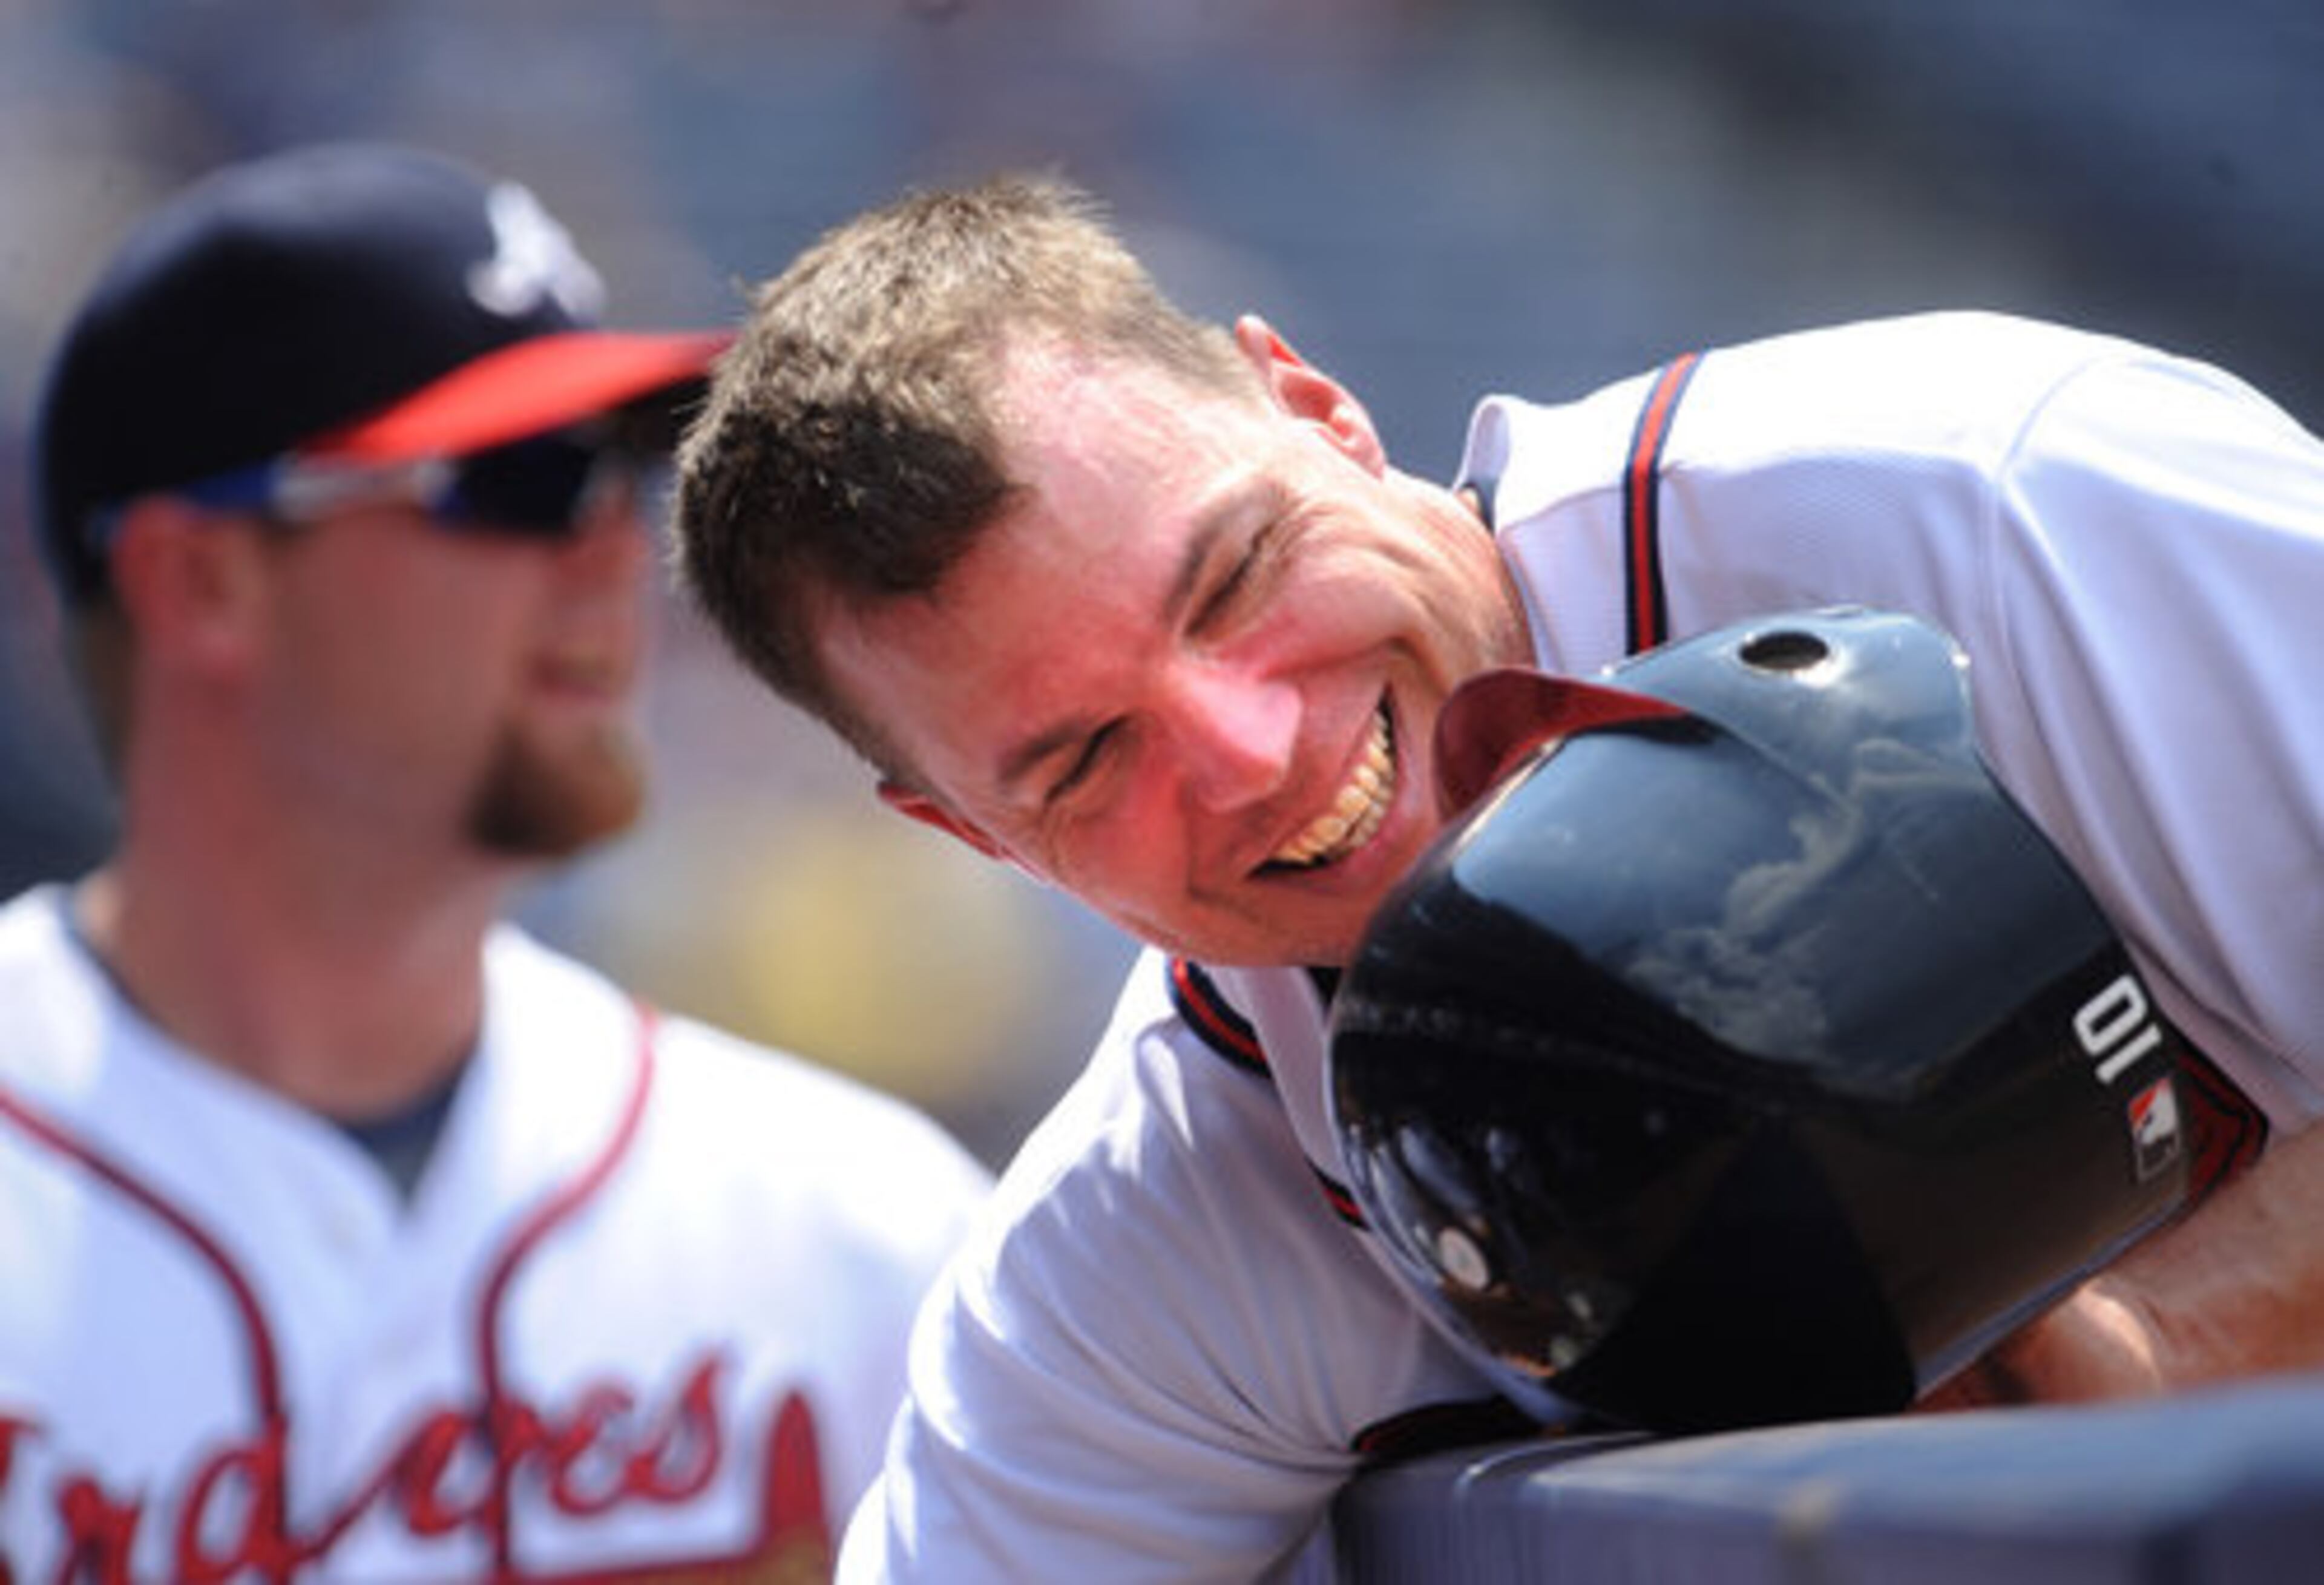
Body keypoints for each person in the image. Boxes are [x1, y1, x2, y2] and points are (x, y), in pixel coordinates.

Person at [672, 172, 2324, 1581]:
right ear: (977, 835)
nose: (1250, 750)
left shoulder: (2000, 513)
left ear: (1319, 408)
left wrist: (2166, 1351)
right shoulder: (1173, 1234)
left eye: (1237, 574)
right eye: (1085, 758)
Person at [1, 142, 993, 1583]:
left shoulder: (857, 1232)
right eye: (522, 480)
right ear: (202, 579)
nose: (618, 552)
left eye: (633, 467)